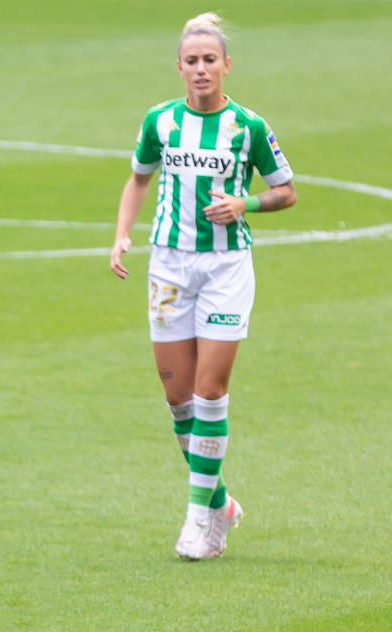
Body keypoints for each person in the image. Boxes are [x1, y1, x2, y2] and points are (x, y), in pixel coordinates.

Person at [109, 12, 295, 560]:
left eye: (210, 59)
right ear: (179, 67)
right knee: (177, 397)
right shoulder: (160, 122)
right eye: (191, 61)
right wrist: (121, 235)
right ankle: (219, 502)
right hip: (168, 265)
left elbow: (286, 190)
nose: (200, 69)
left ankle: (199, 522)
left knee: (209, 391)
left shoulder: (249, 127)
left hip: (225, 268)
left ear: (227, 65)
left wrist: (247, 202)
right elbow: (139, 177)